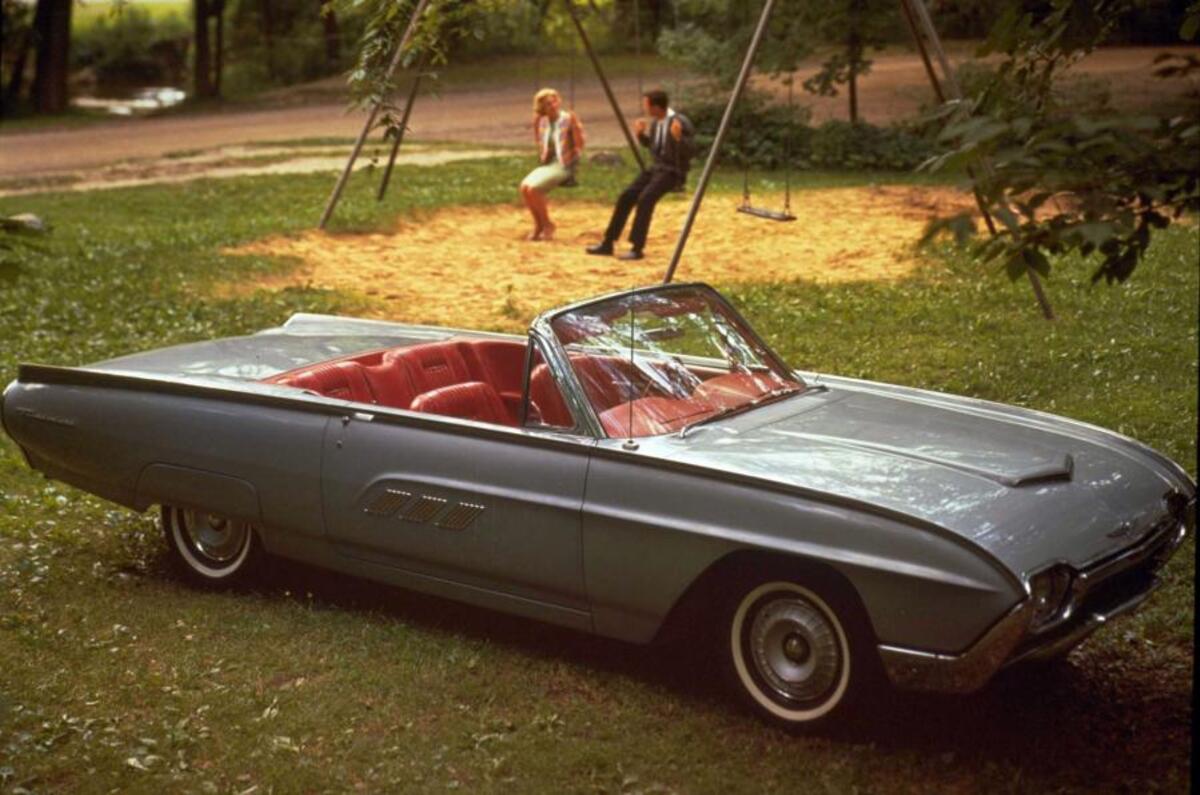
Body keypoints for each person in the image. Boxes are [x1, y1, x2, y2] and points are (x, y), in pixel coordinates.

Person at [586, 89, 694, 261]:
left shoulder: (679, 122)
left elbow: (689, 151)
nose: (645, 109)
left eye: (647, 105)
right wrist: (641, 136)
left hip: (673, 171)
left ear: (657, 107)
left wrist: (679, 138)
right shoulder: (657, 122)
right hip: (656, 168)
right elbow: (655, 146)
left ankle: (637, 248)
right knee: (626, 196)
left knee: (645, 199)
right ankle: (608, 242)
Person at [520, 88, 585, 241]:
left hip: (565, 164)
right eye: (548, 104)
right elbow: (540, 141)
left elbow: (580, 145)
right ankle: (539, 225)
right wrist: (545, 153)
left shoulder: (568, 119)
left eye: (554, 101)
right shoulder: (541, 121)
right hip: (549, 164)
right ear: (542, 108)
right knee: (524, 187)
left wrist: (576, 127)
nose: (553, 105)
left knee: (534, 189)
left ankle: (548, 224)